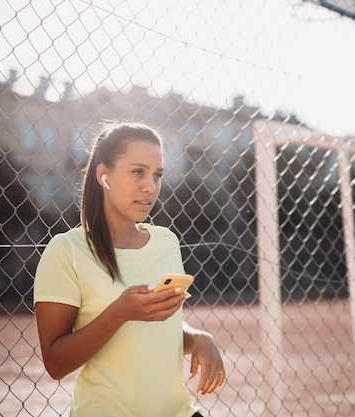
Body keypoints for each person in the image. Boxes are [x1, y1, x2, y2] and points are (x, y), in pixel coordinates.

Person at [34, 121, 225, 417]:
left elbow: (162, 329)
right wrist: (119, 313)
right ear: (104, 176)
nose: (150, 186)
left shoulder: (167, 242)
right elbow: (55, 363)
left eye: (157, 175)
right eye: (138, 172)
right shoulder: (66, 251)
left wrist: (199, 338)